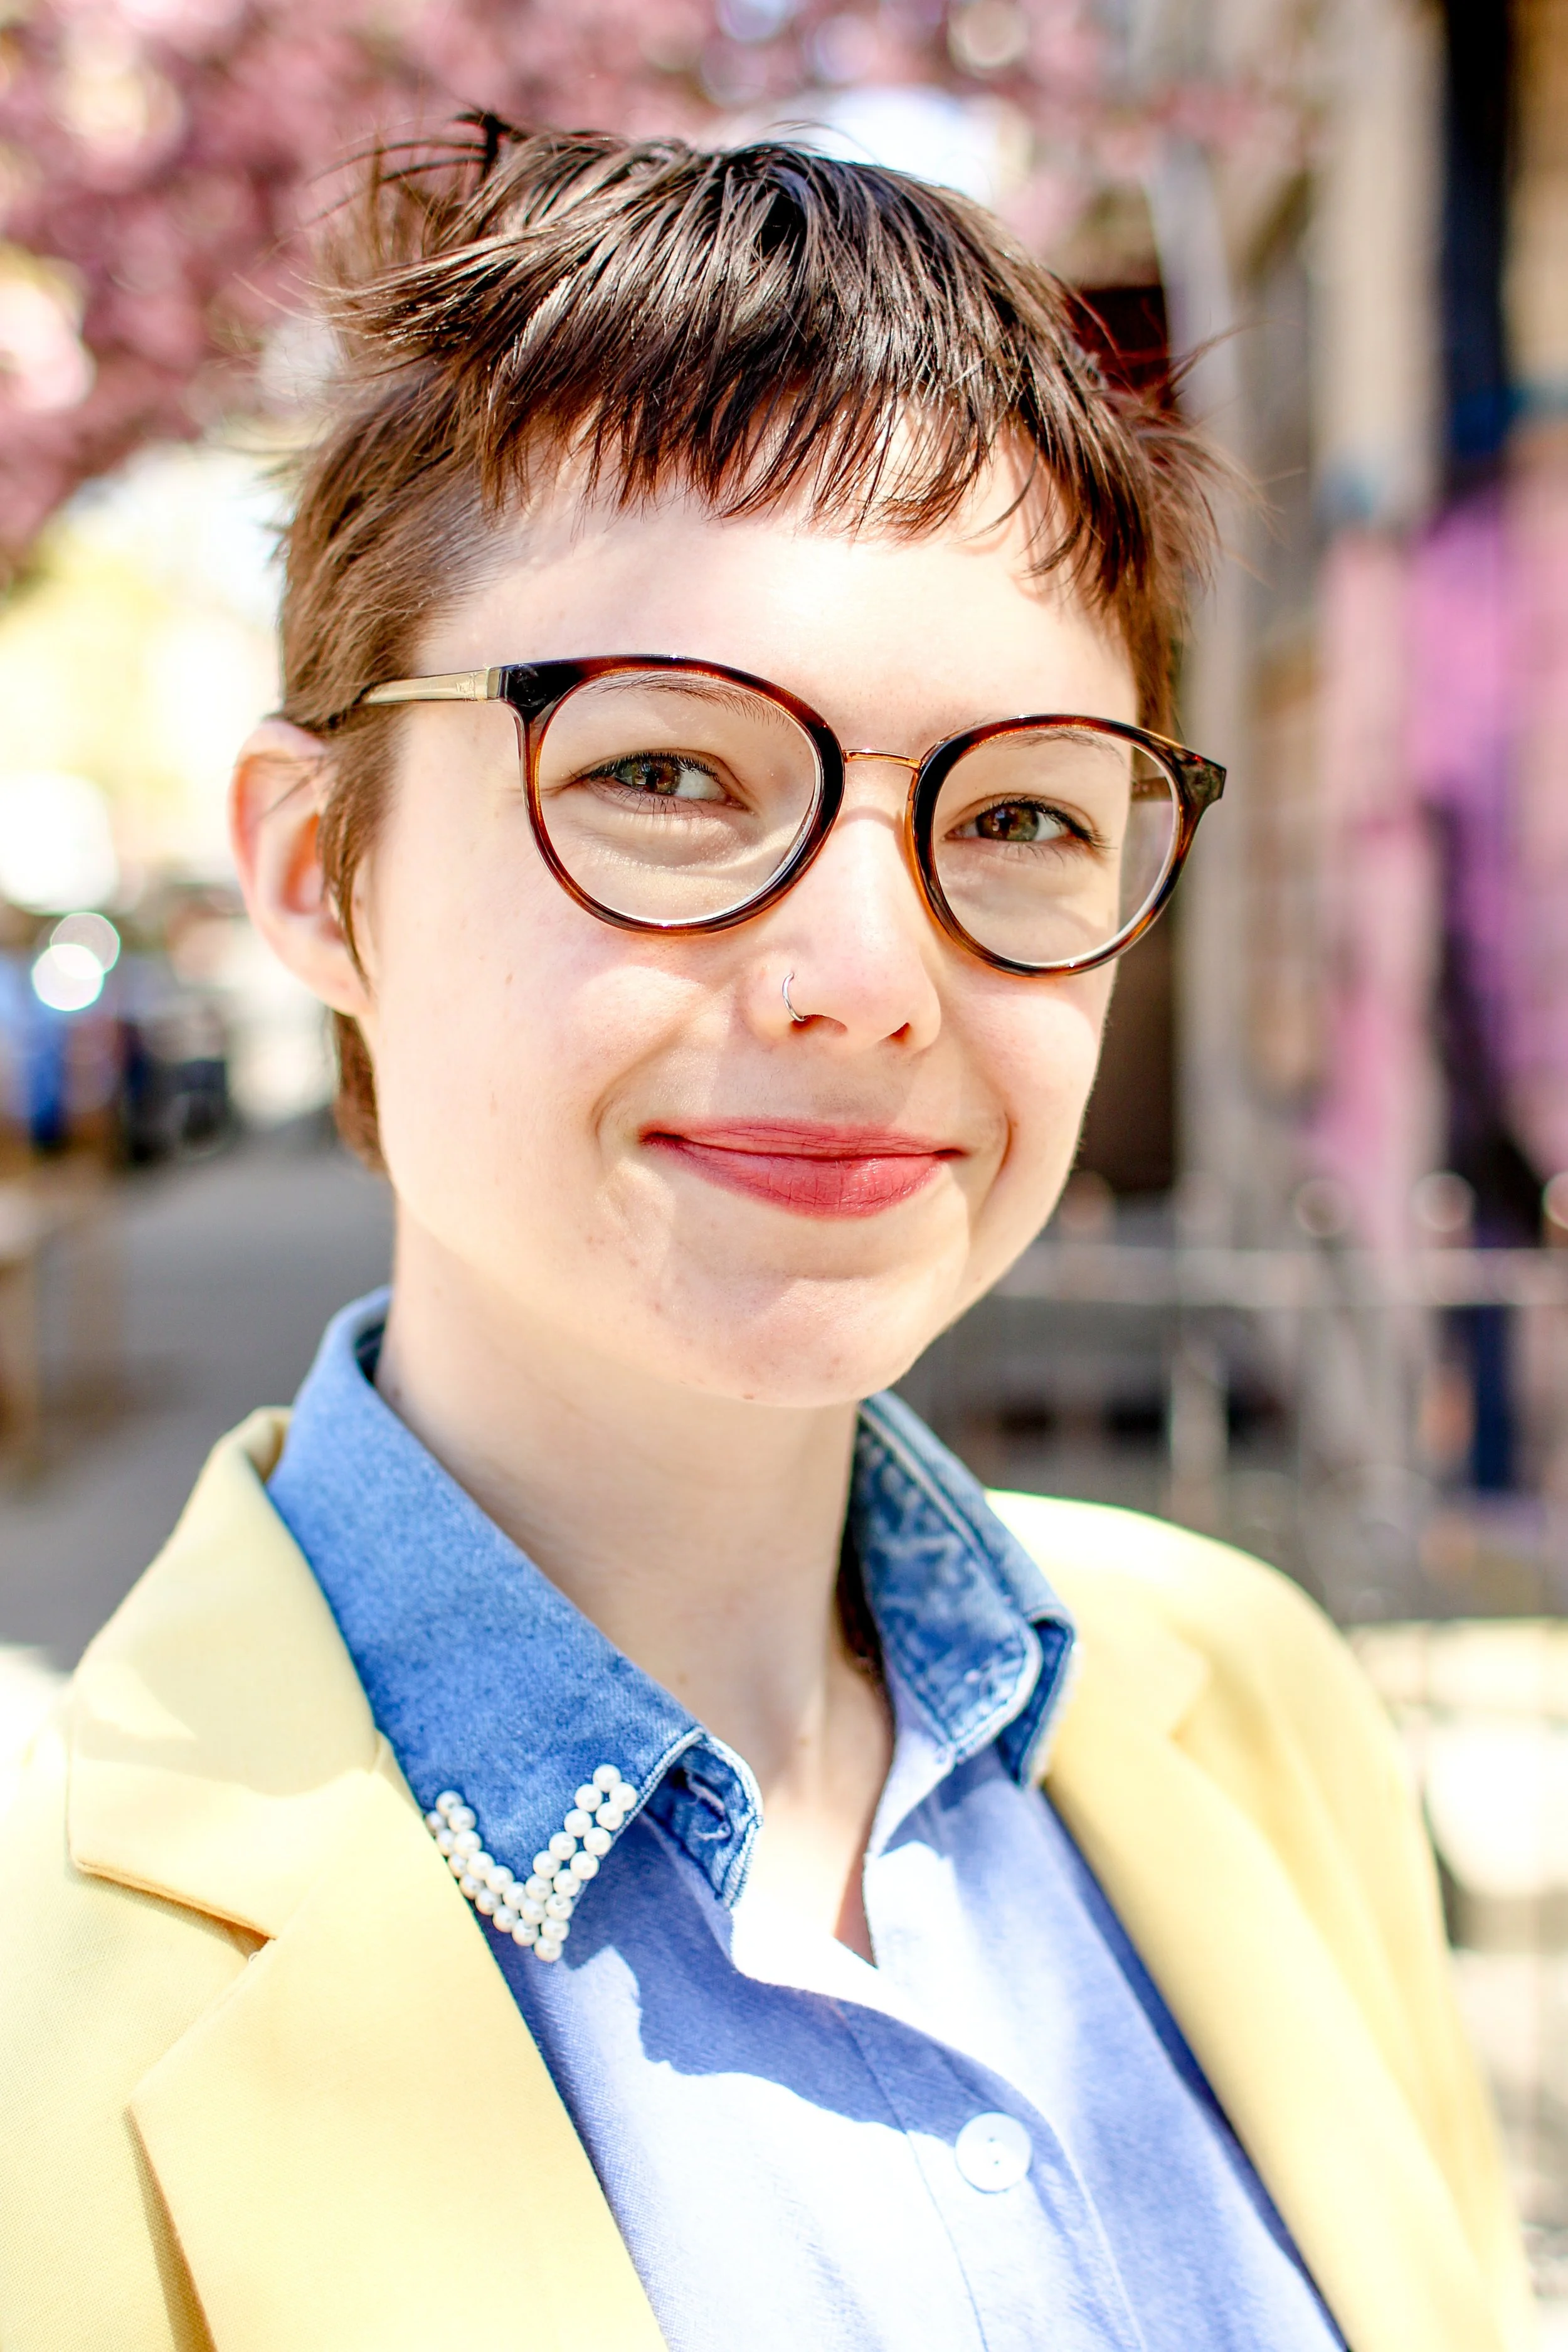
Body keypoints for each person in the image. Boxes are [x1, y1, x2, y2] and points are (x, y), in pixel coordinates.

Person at [0, 127, 1530, 2352]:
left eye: (1017, 812)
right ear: (321, 865)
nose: (867, 976)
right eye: (666, 775)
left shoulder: (1249, 1698)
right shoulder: (53, 2004)